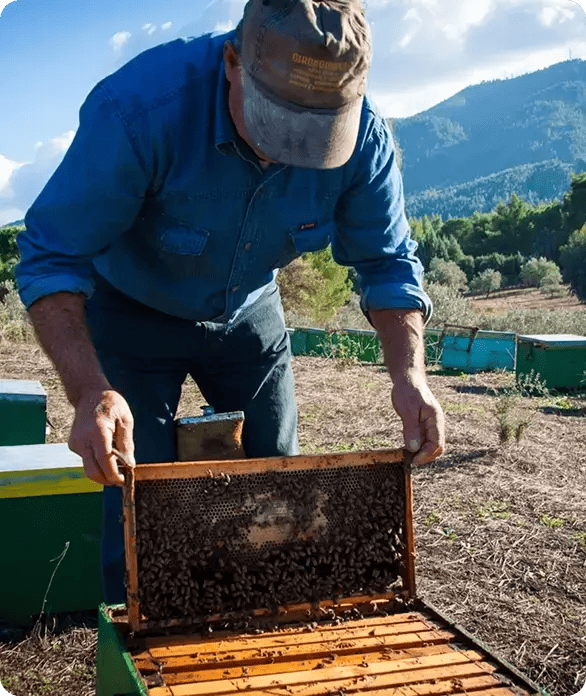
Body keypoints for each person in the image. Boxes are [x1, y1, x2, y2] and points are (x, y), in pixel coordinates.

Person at [16, 0, 444, 604]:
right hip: (130, 312)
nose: (287, 149)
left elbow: (388, 261)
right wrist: (90, 391)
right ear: (232, 63)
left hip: (249, 311)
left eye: (316, 130)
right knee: (136, 498)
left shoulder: (369, 139)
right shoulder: (139, 110)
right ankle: (140, 647)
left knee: (278, 489)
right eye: (275, 120)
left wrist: (410, 375)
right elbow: (50, 256)